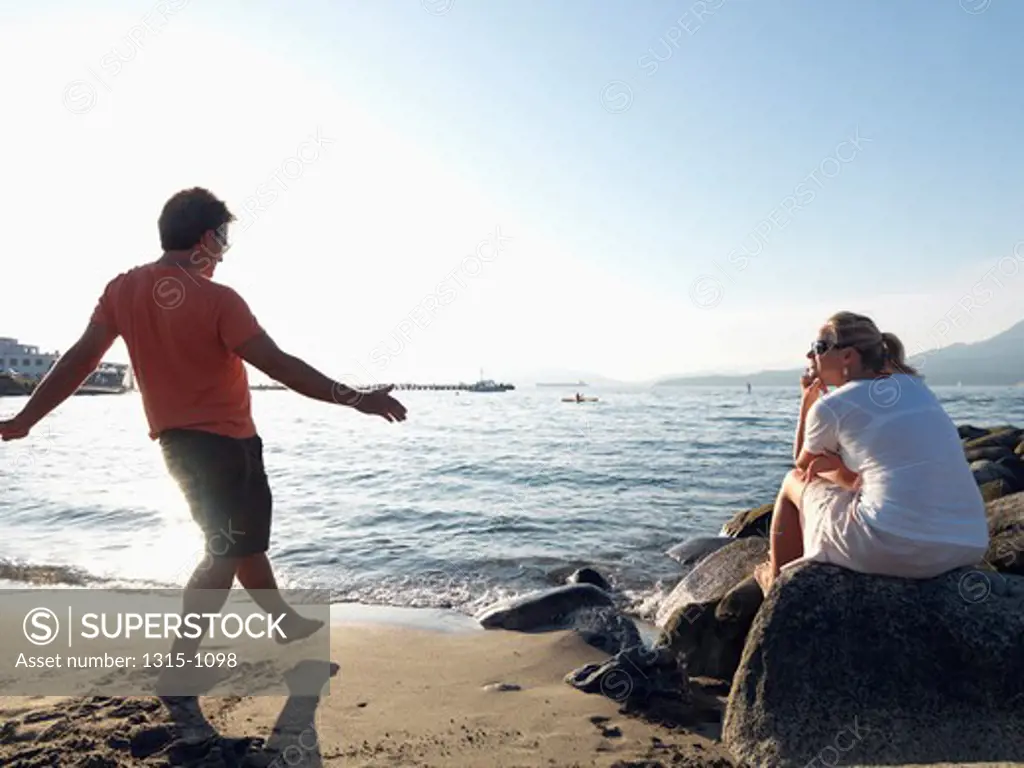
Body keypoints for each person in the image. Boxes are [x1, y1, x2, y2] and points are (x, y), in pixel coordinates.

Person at [0, 187, 407, 674]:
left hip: (188, 443)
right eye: (225, 239)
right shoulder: (219, 300)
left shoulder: (121, 290)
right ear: (207, 238)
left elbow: (79, 360)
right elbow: (280, 366)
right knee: (223, 552)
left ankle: (282, 622)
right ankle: (180, 665)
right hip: (222, 447)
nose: (225, 251)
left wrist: (27, 417)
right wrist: (357, 399)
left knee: (245, 543)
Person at [753, 311, 989, 592]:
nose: (809, 355)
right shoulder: (916, 387)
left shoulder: (830, 406)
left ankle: (776, 583)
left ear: (848, 356)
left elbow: (803, 466)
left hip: (891, 544)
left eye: (818, 347)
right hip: (967, 544)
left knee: (791, 481)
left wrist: (807, 402)